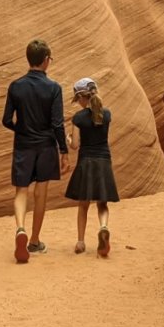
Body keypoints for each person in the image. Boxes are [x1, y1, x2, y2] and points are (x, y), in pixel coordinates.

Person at [3, 39, 71, 264]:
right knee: (40, 193)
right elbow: (57, 123)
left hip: (23, 145)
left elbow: (6, 120)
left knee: (21, 191)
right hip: (45, 146)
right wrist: (63, 150)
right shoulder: (53, 88)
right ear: (45, 60)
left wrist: (20, 129)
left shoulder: (16, 86)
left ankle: (20, 228)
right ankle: (34, 241)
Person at [64, 77, 118, 258]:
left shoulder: (78, 118)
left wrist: (68, 139)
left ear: (81, 97)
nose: (78, 102)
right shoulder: (107, 114)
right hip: (103, 160)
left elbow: (75, 145)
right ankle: (103, 227)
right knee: (102, 203)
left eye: (77, 99)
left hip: (86, 162)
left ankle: (80, 241)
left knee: (83, 204)